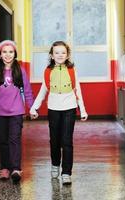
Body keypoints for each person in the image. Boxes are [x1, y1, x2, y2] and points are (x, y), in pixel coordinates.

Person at [30, 41, 88, 185]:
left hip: (69, 108)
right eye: (57, 52)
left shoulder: (72, 70)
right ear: (52, 55)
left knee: (67, 141)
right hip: (53, 109)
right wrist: (34, 107)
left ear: (67, 54)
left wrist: (83, 109)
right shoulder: (48, 71)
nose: (60, 55)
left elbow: (77, 89)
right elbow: (43, 90)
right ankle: (55, 165)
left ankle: (66, 172)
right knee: (55, 140)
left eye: (63, 52)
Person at [0, 40, 35, 182]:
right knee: (3, 141)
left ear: (15, 53)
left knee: (14, 140)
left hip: (16, 112)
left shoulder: (20, 70)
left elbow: (27, 91)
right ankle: (5, 168)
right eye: (5, 52)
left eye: (11, 52)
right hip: (0, 113)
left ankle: (16, 169)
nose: (8, 55)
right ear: (0, 54)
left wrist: (32, 108)